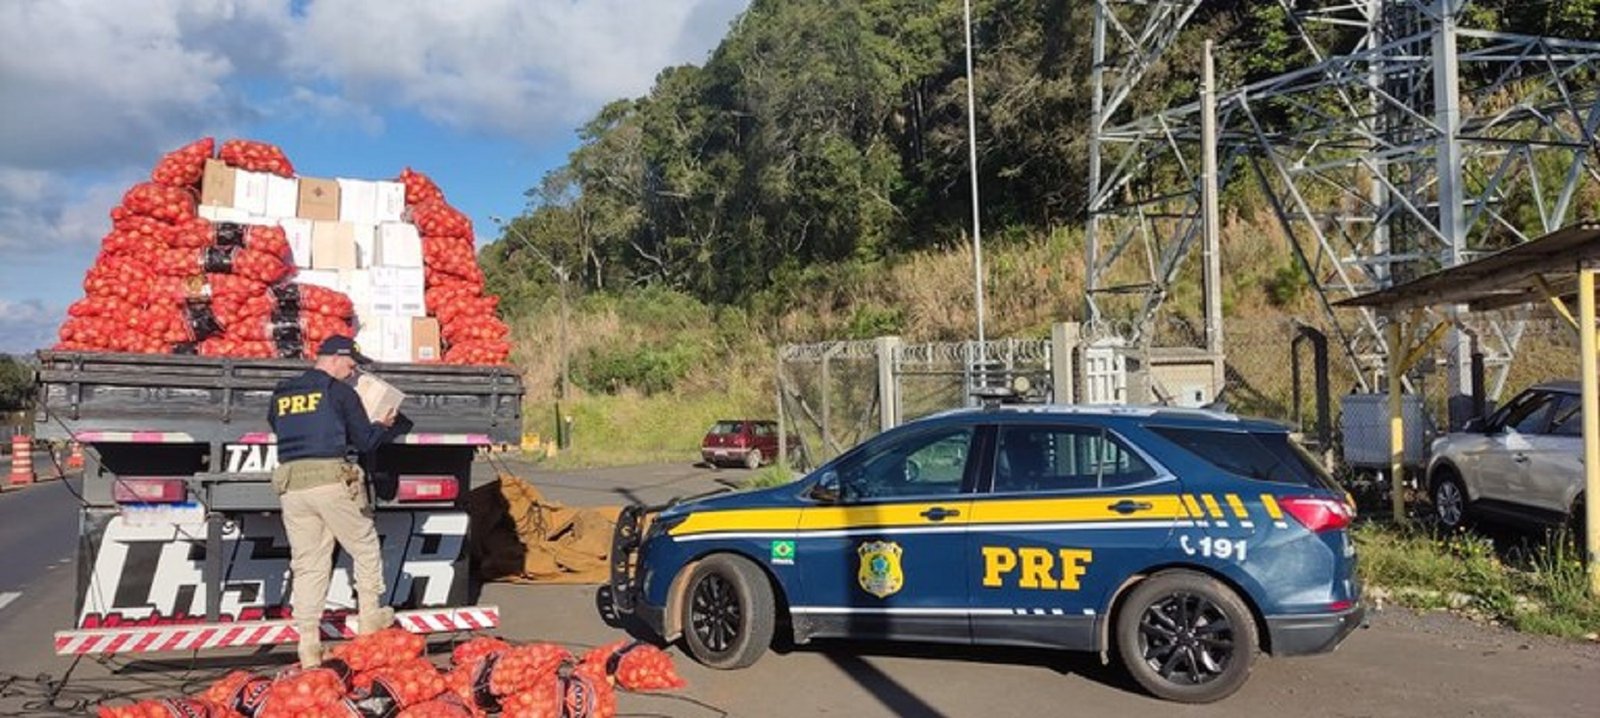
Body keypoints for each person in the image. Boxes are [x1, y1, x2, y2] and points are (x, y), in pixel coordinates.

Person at [268, 336, 398, 668]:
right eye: (351, 363)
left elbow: (278, 427)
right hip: (331, 480)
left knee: (309, 563)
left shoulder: (283, 393)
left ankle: (309, 646)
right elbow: (366, 442)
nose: (353, 370)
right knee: (365, 545)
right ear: (336, 358)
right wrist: (383, 425)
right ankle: (369, 620)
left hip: (292, 486)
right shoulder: (340, 393)